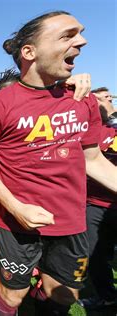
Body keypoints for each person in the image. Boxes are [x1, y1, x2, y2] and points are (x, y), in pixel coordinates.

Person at [0, 11, 117, 316]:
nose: (82, 41)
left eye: (79, 34)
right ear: (29, 52)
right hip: (16, 224)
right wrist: (16, 207)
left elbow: (93, 160)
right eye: (67, 35)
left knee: (62, 294)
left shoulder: (82, 100)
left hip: (71, 221)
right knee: (12, 296)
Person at [78, 88, 117, 311]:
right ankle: (106, 296)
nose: (106, 102)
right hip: (93, 204)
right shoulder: (91, 130)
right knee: (95, 255)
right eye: (100, 99)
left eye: (109, 98)